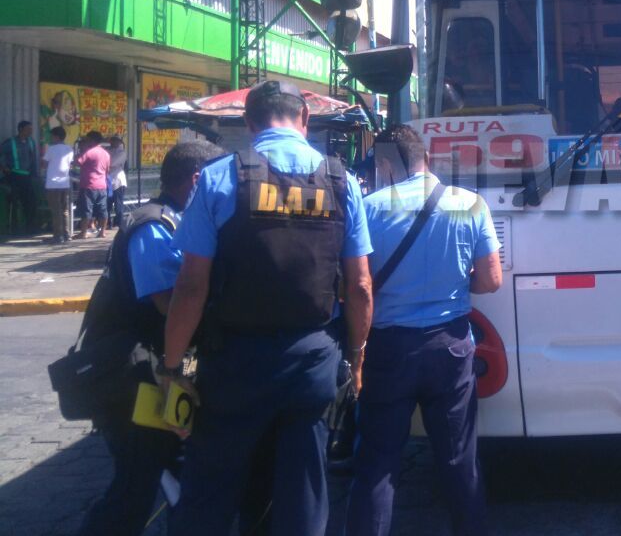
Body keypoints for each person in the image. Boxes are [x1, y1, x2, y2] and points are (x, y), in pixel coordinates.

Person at [160, 80, 373, 536]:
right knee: (303, 494)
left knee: (210, 491)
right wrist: (357, 358)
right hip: (312, 361)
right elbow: (359, 286)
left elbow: (192, 286)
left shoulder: (220, 177)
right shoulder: (342, 181)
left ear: (249, 123)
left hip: (236, 364)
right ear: (305, 119)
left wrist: (172, 367)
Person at [345, 124, 502, 536]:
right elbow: (490, 280)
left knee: (377, 467)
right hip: (450, 349)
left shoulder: (369, 207)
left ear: (384, 165)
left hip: (388, 350)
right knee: (459, 463)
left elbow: (358, 285)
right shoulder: (470, 204)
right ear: (425, 158)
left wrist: (356, 351)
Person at [76, 140, 226, 536]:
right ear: (197, 180)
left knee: (173, 465)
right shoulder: (155, 225)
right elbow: (167, 302)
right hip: (130, 377)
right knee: (137, 481)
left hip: (152, 370)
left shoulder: (180, 220)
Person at [1, 120, 39, 235]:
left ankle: (30, 227)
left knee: (30, 202)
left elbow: (33, 159)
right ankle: (14, 228)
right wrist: (4, 167)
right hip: (14, 176)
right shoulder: (10, 142)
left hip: (27, 177)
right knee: (14, 202)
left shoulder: (31, 142)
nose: (31, 131)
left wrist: (34, 174)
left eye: (31, 129)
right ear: (21, 129)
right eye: (28, 129)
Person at [43, 127, 75, 244]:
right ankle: (66, 234)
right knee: (65, 210)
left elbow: (44, 164)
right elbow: (70, 164)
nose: (51, 138)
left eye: (52, 136)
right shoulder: (69, 149)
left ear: (56, 136)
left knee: (56, 211)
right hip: (64, 183)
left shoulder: (51, 149)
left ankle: (58, 236)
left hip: (52, 184)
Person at [77, 131, 111, 239]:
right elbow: (107, 170)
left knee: (86, 209)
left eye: (87, 140)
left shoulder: (89, 151)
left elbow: (78, 162)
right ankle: (102, 232)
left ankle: (83, 233)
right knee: (103, 209)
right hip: (102, 185)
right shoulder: (106, 153)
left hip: (88, 184)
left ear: (91, 140)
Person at [108, 135, 129, 228]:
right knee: (107, 203)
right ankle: (107, 223)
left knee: (118, 204)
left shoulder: (122, 152)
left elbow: (112, 163)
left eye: (116, 141)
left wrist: (106, 164)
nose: (114, 142)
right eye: (112, 140)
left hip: (118, 181)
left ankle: (118, 223)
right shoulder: (108, 150)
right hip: (108, 180)